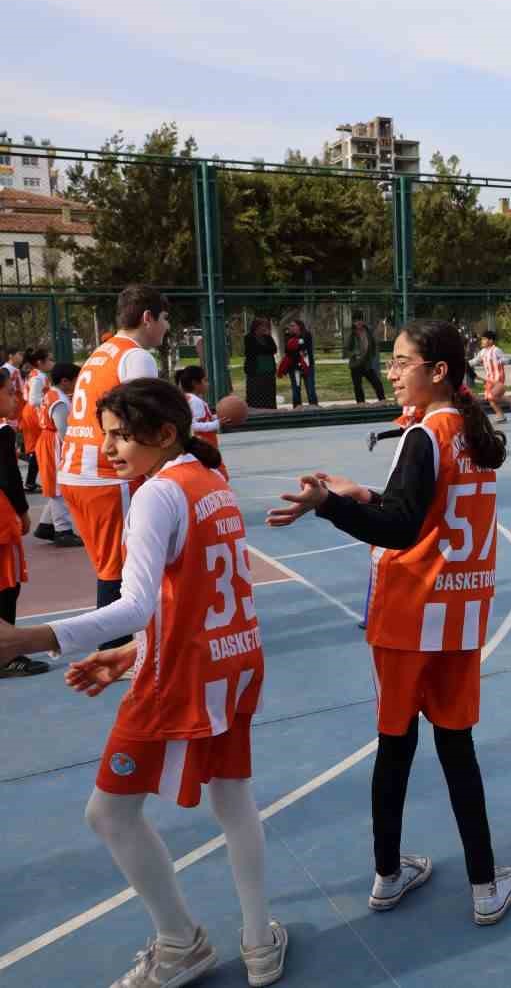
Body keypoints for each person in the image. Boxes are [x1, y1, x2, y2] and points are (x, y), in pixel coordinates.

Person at [0, 378, 286, 985]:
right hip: (232, 665)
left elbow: (136, 603)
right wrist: (132, 652)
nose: (108, 448)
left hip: (180, 679)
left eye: (120, 436)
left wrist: (32, 637)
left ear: (163, 434)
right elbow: (200, 602)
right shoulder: (214, 484)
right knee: (233, 800)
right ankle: (260, 942)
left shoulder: (159, 495)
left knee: (109, 815)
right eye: (104, 435)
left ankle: (181, 942)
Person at [267, 320, 511, 926]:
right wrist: (364, 495)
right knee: (458, 750)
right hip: (458, 618)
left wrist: (330, 506)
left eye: (402, 360)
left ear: (437, 371)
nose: (391, 368)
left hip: (408, 617)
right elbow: (424, 512)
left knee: (395, 746)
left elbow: (403, 528)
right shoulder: (470, 433)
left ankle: (386, 874)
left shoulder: (423, 436)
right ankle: (485, 885)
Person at [61, 284, 169, 649]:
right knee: (119, 568)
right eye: (165, 319)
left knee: (110, 565)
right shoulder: (136, 357)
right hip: (105, 477)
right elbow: (145, 420)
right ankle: (115, 647)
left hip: (77, 473)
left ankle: (122, 637)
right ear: (148, 317)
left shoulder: (100, 352)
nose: (166, 328)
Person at [0, 376, 43, 677]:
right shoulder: (2, 433)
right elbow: (8, 477)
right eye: (9, 392)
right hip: (2, 519)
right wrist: (24, 512)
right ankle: (6, 653)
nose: (16, 398)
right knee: (7, 584)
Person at [32, 361, 83, 547]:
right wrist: (73, 446)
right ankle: (63, 531)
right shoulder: (59, 400)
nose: (79, 382)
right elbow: (63, 429)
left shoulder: (53, 394)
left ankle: (46, 525)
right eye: (76, 380)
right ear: (65, 381)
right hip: (54, 442)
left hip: (48, 439)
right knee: (58, 488)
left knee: (54, 486)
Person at [176, 366, 226, 481]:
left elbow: (203, 419)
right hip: (204, 446)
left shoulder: (191, 399)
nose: (208, 383)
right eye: (205, 380)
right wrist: (217, 424)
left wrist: (217, 417)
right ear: (195, 383)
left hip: (202, 447)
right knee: (221, 476)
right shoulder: (195, 401)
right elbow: (193, 425)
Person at [21, 348, 52, 492]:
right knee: (36, 448)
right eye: (49, 359)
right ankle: (30, 482)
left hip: (31, 412)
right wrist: (49, 401)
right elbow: (34, 400)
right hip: (34, 413)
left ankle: (31, 482)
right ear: (40, 362)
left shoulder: (35, 374)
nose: (52, 362)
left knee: (35, 447)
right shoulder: (38, 376)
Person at [473, 331, 511, 424]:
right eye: (482, 339)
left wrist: (500, 361)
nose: (482, 341)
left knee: (491, 396)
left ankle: (510, 400)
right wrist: (466, 363)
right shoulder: (482, 352)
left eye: (484, 339)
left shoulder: (496, 350)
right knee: (490, 399)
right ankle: (501, 416)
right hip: (489, 379)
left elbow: (507, 360)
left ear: (491, 341)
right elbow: (475, 361)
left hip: (498, 378)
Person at [346, 311, 385, 404]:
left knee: (377, 383)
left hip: (366, 364)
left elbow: (373, 344)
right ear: (353, 322)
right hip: (356, 365)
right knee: (358, 386)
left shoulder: (368, 331)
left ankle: (383, 400)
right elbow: (347, 351)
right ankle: (361, 404)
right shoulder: (351, 334)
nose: (358, 323)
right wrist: (354, 353)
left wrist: (372, 355)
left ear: (363, 321)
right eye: (356, 321)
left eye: (360, 320)